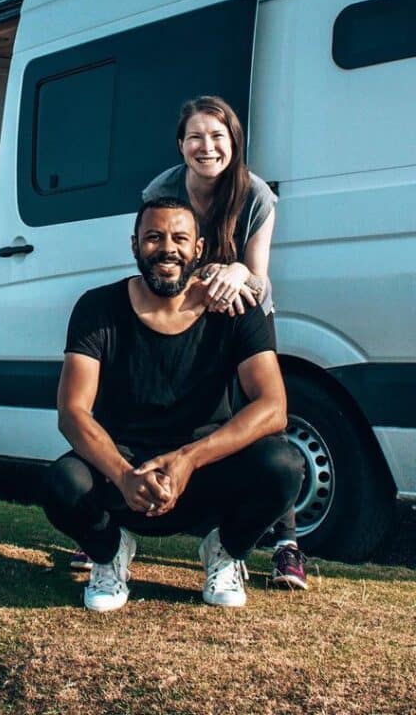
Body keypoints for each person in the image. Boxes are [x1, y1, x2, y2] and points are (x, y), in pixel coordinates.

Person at [69, 94, 307, 590]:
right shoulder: (162, 188)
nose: (207, 146)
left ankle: (283, 542)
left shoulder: (255, 194)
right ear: (180, 145)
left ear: (234, 143)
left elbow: (260, 276)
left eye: (218, 136)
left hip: (240, 307)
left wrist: (235, 273)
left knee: (265, 431)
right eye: (196, 136)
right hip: (180, 302)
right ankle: (101, 532)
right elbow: (156, 245)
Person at [43, 197, 304, 611]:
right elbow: (71, 412)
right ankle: (110, 552)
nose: (168, 248)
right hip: (126, 473)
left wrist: (188, 459)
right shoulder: (97, 308)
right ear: (134, 246)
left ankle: (225, 550)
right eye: (154, 237)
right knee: (61, 483)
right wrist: (125, 475)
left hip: (204, 472)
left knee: (285, 465)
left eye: (180, 238)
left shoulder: (236, 310)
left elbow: (273, 407)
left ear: (199, 249)